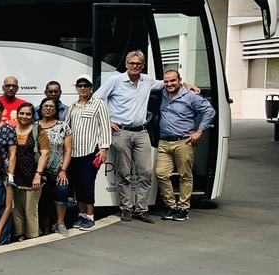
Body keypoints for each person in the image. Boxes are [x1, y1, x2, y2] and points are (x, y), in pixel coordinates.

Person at [94, 51, 167, 223]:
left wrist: (187, 85)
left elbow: (167, 84)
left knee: (146, 172)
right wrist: (107, 121)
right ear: (126, 64)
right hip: (121, 132)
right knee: (124, 173)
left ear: (142, 66)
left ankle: (141, 209)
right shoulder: (115, 81)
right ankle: (126, 208)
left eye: (139, 64)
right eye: (132, 63)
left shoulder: (147, 81)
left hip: (142, 132)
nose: (135, 66)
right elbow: (96, 100)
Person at [156, 69, 215, 222]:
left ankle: (183, 208)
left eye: (173, 81)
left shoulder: (191, 96)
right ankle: (171, 206)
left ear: (180, 80)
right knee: (161, 174)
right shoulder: (164, 93)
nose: (169, 84)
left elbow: (209, 111)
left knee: (185, 176)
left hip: (184, 142)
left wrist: (199, 132)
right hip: (164, 141)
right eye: (166, 81)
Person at [66, 74, 111, 231]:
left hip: (92, 151)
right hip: (74, 153)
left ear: (91, 87)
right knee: (78, 185)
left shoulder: (99, 104)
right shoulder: (73, 106)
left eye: (86, 85)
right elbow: (67, 128)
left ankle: (90, 217)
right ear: (76, 88)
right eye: (80, 85)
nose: (83, 88)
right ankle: (81, 215)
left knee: (87, 184)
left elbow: (105, 127)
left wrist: (104, 148)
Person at [11, 103, 49, 241]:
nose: (24, 116)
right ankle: (20, 234)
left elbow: (44, 153)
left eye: (28, 114)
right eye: (22, 113)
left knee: (30, 209)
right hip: (15, 176)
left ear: (33, 116)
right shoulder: (12, 130)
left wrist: (38, 175)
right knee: (16, 209)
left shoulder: (38, 131)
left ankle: (32, 236)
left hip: (33, 176)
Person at [37, 97, 72, 237]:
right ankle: (45, 229)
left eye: (52, 106)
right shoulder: (34, 126)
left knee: (62, 189)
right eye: (45, 106)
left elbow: (68, 150)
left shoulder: (63, 126)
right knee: (43, 197)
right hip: (40, 170)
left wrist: (63, 170)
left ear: (56, 109)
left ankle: (60, 223)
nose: (48, 108)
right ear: (41, 108)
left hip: (58, 170)